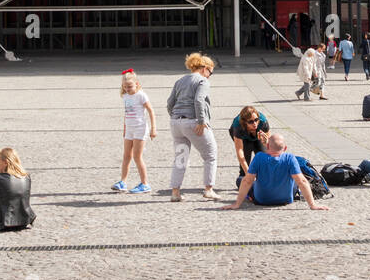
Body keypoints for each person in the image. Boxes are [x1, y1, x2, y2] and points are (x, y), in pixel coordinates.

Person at [222, 132, 330, 211]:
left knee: (240, 180)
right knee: (295, 181)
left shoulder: (259, 157)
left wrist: (237, 204)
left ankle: (248, 196)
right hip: (286, 199)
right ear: (285, 148)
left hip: (261, 199)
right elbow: (302, 181)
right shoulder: (290, 158)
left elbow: (247, 181)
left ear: (267, 146)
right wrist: (312, 205)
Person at [166, 52, 218, 202]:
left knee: (180, 158)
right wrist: (201, 121)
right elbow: (199, 100)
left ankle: (175, 192)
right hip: (193, 121)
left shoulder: (180, 81)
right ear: (204, 68)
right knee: (210, 155)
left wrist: (175, 117)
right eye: (210, 72)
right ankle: (209, 189)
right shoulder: (202, 81)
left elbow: (170, 103)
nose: (209, 76)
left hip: (176, 123)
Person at [112, 70, 156, 194]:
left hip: (140, 128)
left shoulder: (141, 95)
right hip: (129, 129)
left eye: (130, 86)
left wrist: (153, 128)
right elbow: (126, 114)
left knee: (137, 156)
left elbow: (151, 111)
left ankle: (145, 183)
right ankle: (123, 182)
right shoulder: (125, 96)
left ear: (137, 84)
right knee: (126, 156)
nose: (127, 89)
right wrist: (125, 128)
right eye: (125, 87)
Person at [0, 148, 36, 230]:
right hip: (24, 221)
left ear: (5, 163)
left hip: (2, 223)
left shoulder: (1, 178)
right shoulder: (26, 177)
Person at [228, 105, 270, 175]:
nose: (255, 123)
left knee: (263, 158)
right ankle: (243, 180)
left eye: (256, 120)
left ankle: (262, 183)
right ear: (245, 122)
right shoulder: (238, 126)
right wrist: (248, 173)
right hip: (243, 137)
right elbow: (239, 151)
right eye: (251, 122)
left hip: (258, 136)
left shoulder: (263, 122)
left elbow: (270, 147)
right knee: (245, 159)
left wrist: (266, 142)